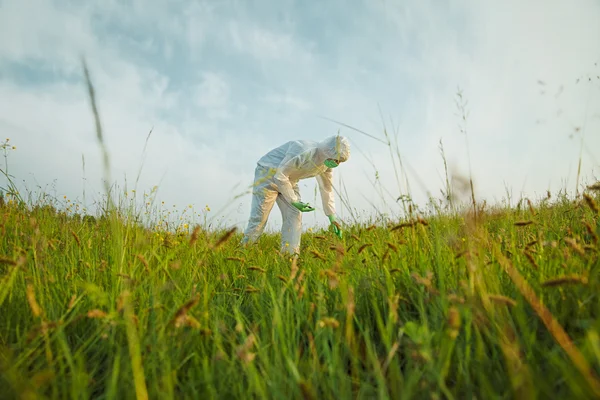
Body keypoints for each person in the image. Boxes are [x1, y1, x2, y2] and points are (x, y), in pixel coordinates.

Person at [241, 135, 351, 255]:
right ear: (327, 151)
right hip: (268, 173)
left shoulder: (326, 165)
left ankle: (290, 256)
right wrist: (294, 200)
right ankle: (245, 251)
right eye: (336, 160)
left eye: (339, 161)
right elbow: (280, 176)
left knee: (295, 215)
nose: (337, 164)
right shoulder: (303, 150)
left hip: (290, 180)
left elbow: (326, 188)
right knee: (260, 217)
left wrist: (332, 216)